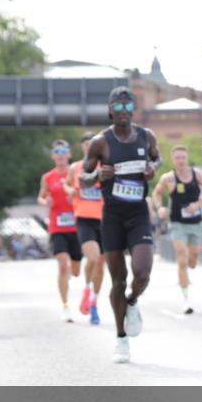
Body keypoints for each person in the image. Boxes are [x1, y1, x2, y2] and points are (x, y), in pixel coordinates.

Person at [81, 86, 161, 363]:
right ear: (110, 109)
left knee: (142, 273)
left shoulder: (145, 136)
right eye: (119, 106)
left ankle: (133, 301)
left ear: (133, 109)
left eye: (129, 107)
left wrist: (152, 169)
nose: (124, 111)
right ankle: (121, 339)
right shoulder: (100, 142)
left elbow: (156, 158)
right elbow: (83, 177)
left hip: (138, 213)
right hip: (112, 217)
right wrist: (97, 175)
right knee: (118, 279)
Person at [151, 146, 202, 314]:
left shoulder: (197, 174)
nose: (180, 160)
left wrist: (198, 204)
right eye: (177, 158)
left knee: (192, 260)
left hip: (195, 223)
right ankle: (186, 299)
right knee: (182, 256)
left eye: (183, 157)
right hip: (177, 223)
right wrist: (160, 208)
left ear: (187, 158)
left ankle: (191, 263)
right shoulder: (169, 178)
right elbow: (156, 194)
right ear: (173, 160)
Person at [38, 139, 83, 322]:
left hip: (77, 226)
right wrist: (45, 202)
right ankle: (66, 306)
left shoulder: (78, 174)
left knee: (76, 270)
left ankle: (70, 275)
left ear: (69, 155)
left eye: (64, 151)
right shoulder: (48, 177)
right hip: (57, 226)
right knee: (62, 264)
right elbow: (40, 197)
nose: (60, 154)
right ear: (52, 156)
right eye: (57, 151)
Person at [66, 131, 106, 325]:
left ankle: (94, 302)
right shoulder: (76, 167)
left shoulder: (105, 167)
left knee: (101, 264)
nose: (89, 147)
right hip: (84, 218)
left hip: (105, 219)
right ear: (82, 147)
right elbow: (67, 185)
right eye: (86, 144)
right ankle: (87, 288)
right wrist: (71, 192)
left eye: (93, 144)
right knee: (93, 257)